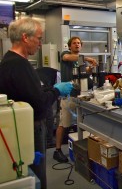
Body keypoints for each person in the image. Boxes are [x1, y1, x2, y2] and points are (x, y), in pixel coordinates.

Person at [0, 17, 73, 189]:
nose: (40, 44)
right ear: (25, 37)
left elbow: (32, 94)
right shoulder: (19, 65)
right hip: (30, 129)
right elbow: (39, 104)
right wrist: (57, 91)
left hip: (23, 128)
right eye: (39, 39)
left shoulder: (10, 61)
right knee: (36, 176)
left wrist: (50, 89)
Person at [53, 36, 97, 163]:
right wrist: (88, 59)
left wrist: (91, 68)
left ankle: (80, 146)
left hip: (80, 95)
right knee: (64, 123)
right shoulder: (65, 54)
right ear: (70, 45)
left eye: (79, 43)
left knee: (81, 122)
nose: (77, 45)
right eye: (74, 43)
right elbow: (69, 58)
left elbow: (84, 73)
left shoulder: (80, 60)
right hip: (68, 96)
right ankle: (57, 150)